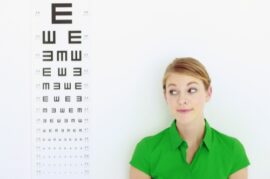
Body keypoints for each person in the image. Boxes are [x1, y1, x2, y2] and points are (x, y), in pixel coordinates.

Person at [129, 57, 250, 179]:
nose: (182, 100)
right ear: (165, 96)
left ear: (208, 93)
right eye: (173, 92)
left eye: (191, 90)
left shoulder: (232, 150)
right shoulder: (146, 150)